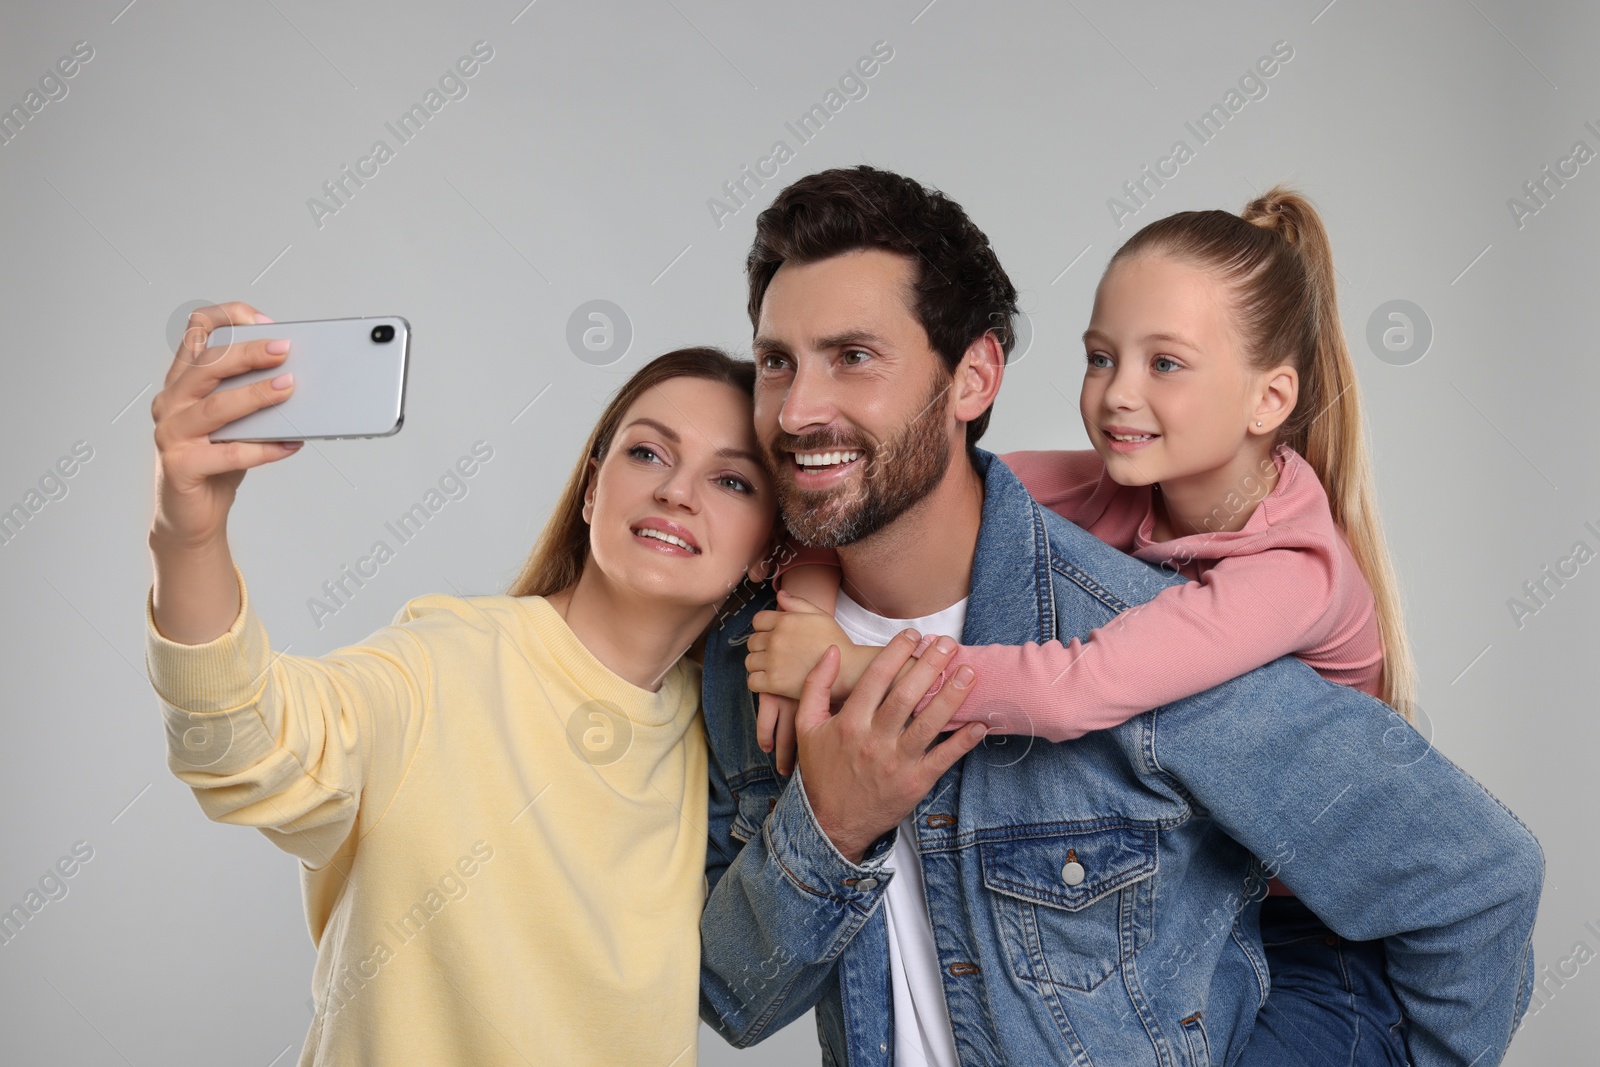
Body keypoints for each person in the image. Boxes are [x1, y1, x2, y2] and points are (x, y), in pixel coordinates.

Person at [695, 166, 1543, 1067]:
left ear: (974, 375)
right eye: (776, 361)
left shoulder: (1179, 640)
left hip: (1320, 944)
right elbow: (733, 998)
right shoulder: (751, 651)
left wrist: (868, 670)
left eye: (853, 356)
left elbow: (1478, 879)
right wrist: (827, 817)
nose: (797, 409)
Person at [144, 309, 775, 1066]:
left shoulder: (727, 738)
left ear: (765, 551)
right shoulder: (448, 661)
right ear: (590, 491)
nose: (678, 491)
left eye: (732, 479)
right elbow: (243, 743)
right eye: (648, 452)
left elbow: (757, 981)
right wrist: (187, 535)